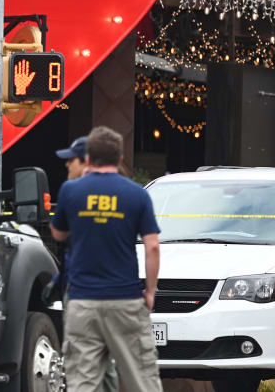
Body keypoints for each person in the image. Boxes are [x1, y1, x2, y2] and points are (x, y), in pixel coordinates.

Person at [50, 126, 162, 392]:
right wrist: (151, 291)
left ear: (88, 159)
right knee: (142, 379)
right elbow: (153, 247)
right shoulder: (137, 194)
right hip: (125, 300)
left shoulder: (70, 191)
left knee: (83, 381)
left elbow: (58, 232)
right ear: (120, 158)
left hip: (82, 301)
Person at [53, 136, 120, 392]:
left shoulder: (74, 196)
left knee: (81, 362)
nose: (67, 166)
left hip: (83, 292)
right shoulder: (116, 196)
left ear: (86, 162)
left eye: (71, 161)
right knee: (105, 361)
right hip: (108, 292)